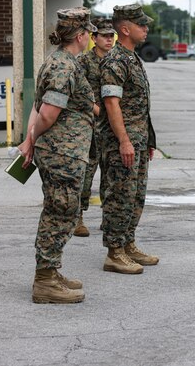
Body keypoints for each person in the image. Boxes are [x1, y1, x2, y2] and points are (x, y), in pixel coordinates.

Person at [18, 7, 97, 303]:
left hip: (62, 151)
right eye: (88, 32)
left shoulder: (58, 62)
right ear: (80, 36)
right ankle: (45, 281)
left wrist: (29, 139)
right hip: (62, 153)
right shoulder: (64, 66)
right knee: (59, 212)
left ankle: (51, 271)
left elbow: (37, 108)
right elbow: (48, 115)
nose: (90, 36)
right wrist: (33, 138)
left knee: (60, 210)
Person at [99, 3, 158, 275]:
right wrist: (124, 141)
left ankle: (128, 243)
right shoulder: (115, 60)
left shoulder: (132, 57)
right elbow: (112, 104)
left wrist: (147, 140)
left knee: (135, 195)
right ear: (125, 29)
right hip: (121, 142)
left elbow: (140, 106)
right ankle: (114, 252)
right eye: (141, 25)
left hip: (137, 140)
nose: (146, 29)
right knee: (119, 195)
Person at [74, 17, 116, 237]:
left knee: (111, 175)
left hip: (111, 127)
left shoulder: (116, 61)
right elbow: (79, 93)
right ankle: (78, 217)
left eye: (111, 36)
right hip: (90, 125)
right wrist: (99, 110)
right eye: (104, 36)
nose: (109, 40)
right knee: (87, 173)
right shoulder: (83, 62)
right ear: (94, 38)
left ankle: (108, 218)